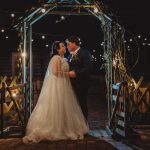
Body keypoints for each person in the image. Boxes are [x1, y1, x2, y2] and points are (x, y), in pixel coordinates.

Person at [23, 41, 89, 144]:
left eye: (64, 45)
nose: (65, 47)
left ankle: (64, 127)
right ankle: (54, 129)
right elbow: (54, 72)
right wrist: (68, 74)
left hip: (65, 85)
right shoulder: (56, 58)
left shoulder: (64, 58)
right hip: (58, 85)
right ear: (57, 49)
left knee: (65, 107)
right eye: (62, 46)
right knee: (56, 106)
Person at [66, 36, 92, 121]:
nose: (67, 46)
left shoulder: (85, 53)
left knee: (82, 104)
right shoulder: (69, 56)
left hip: (81, 84)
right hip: (71, 84)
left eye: (68, 44)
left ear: (74, 43)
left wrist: (76, 73)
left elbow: (88, 68)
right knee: (74, 105)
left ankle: (84, 125)